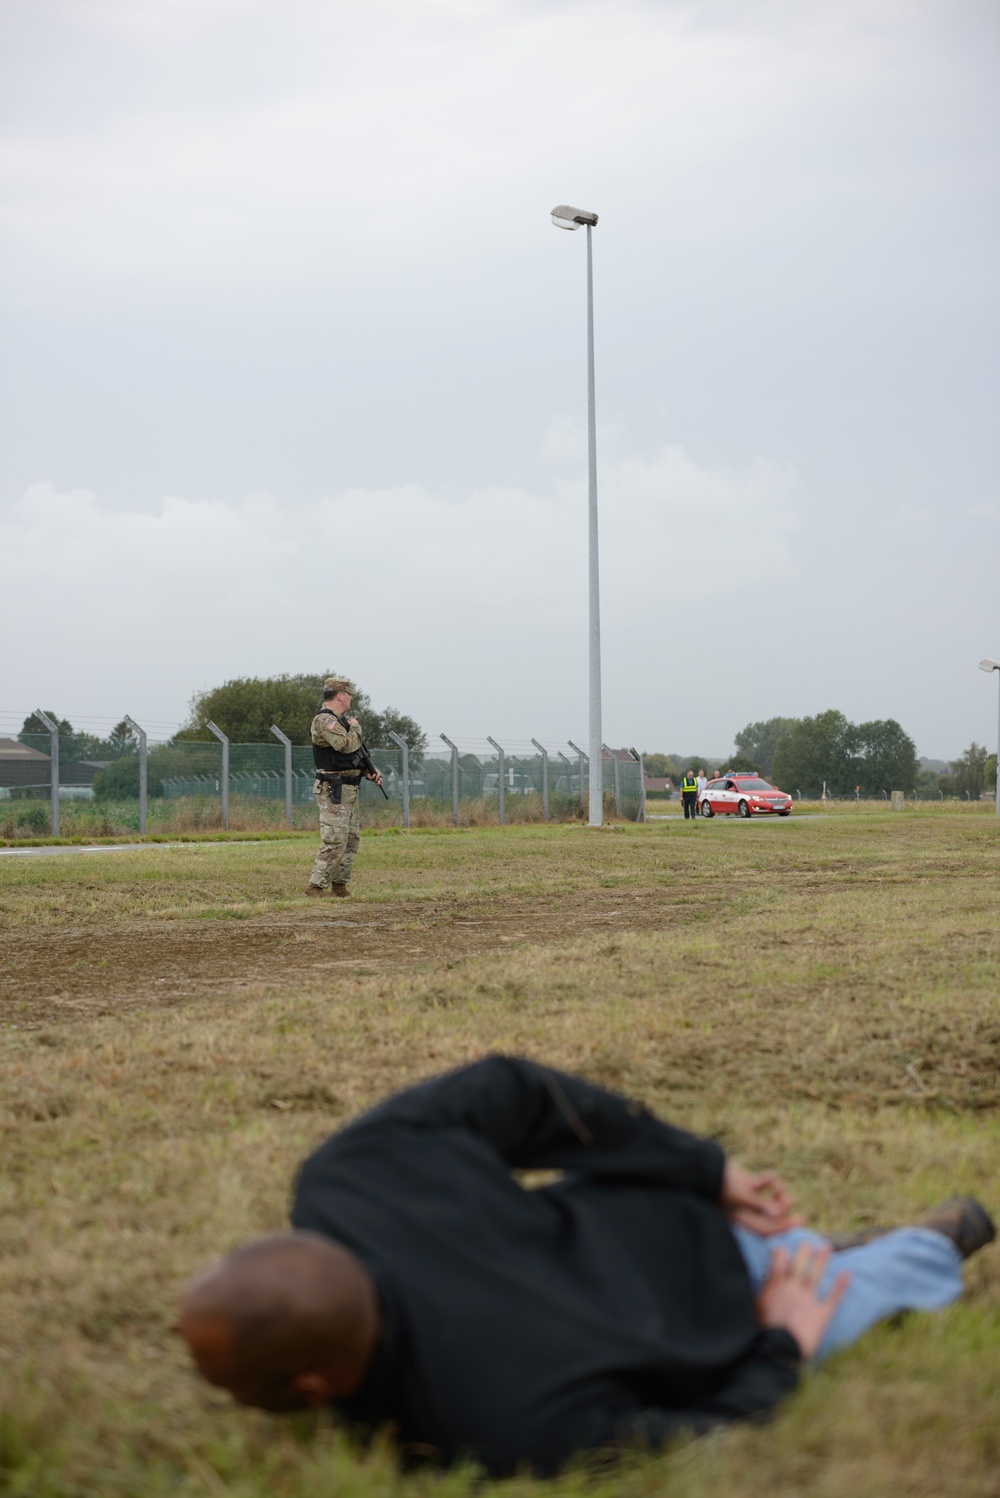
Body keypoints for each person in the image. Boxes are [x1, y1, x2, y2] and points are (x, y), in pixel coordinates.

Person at [179, 1057, 993, 1477]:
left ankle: (933, 1240)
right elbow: (513, 1088)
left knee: (844, 1303)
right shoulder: (340, 1180)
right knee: (803, 1270)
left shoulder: (493, 1429)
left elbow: (693, 1438)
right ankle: (818, 1252)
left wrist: (783, 1340)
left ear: (312, 1389)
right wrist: (695, 1170)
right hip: (655, 1213)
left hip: (723, 1300)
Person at [305, 677, 383, 898]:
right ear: (340, 695)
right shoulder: (324, 721)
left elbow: (351, 756)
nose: (351, 698)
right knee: (335, 838)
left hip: (350, 788)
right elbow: (345, 745)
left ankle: (339, 885)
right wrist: (356, 727)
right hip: (333, 789)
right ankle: (315, 886)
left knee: (351, 840)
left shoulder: (342, 722)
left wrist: (369, 773)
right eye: (349, 694)